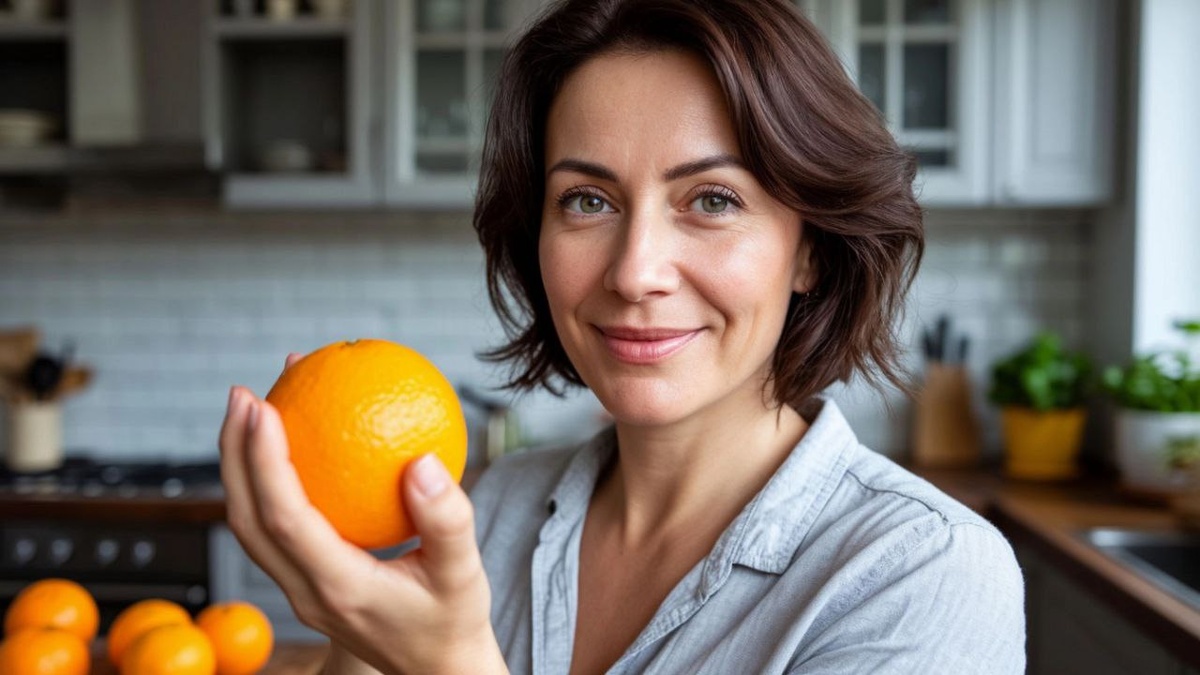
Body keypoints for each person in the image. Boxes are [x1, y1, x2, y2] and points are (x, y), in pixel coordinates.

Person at [219, 0, 1026, 673]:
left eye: (711, 200)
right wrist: (360, 617)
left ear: (809, 247)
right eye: (587, 201)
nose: (636, 272)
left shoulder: (924, 572)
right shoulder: (497, 508)